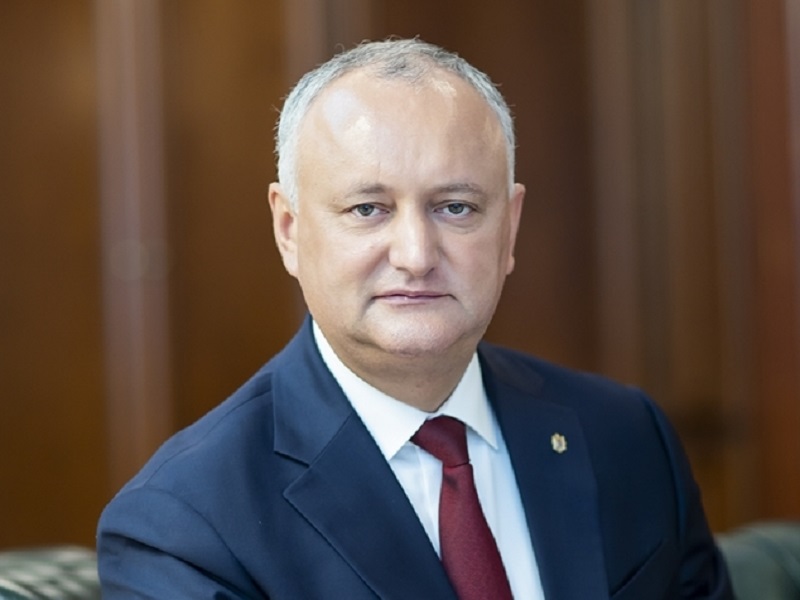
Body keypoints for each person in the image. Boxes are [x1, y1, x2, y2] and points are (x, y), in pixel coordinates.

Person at [97, 38, 733, 599]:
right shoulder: (184, 525)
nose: (416, 255)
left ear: (509, 229)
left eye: (455, 207)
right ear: (288, 230)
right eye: (368, 209)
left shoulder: (627, 437)